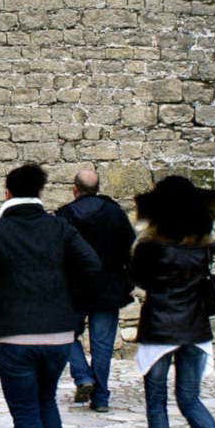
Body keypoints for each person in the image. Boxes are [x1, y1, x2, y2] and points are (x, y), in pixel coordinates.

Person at [0, 163, 102, 428]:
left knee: (25, 411)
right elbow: (92, 264)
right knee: (46, 402)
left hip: (14, 333)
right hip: (58, 334)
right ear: (39, 193)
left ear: (7, 193)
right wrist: (72, 305)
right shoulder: (60, 226)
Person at [130, 176, 215, 428]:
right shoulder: (207, 242)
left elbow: (138, 279)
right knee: (190, 399)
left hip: (160, 326)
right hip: (194, 325)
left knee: (156, 404)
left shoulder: (150, 244)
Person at [57, 168, 136, 412]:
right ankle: (100, 397)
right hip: (108, 287)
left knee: (65, 333)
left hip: (75, 288)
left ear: (75, 189)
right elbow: (130, 248)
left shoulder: (65, 215)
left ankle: (83, 376)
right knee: (102, 344)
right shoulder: (115, 214)